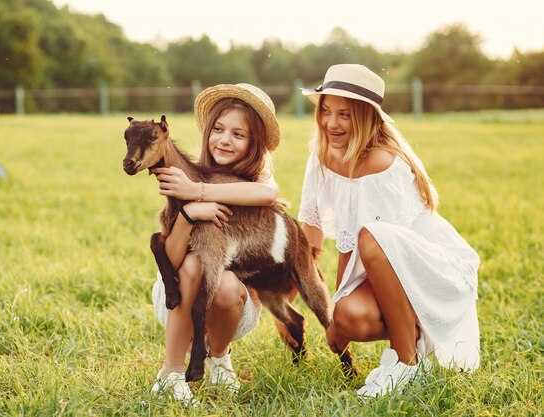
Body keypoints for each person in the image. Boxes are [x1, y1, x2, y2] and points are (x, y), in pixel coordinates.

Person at [296, 64, 480, 398]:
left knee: (372, 236)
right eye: (326, 111)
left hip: (431, 269)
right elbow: (315, 239)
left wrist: (337, 305)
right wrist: (326, 312)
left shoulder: (380, 162)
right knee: (348, 316)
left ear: (367, 117)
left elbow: (371, 245)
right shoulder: (322, 156)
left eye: (345, 115)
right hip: (385, 268)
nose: (331, 123)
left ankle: (407, 363)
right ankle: (417, 336)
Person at [149, 83, 281, 406]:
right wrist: (190, 213)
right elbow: (172, 257)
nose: (224, 139)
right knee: (193, 263)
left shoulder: (252, 183)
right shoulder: (186, 174)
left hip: (233, 305)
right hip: (177, 296)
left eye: (239, 134)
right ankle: (172, 372)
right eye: (218, 129)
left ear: (254, 144)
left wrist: (199, 192)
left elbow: (269, 194)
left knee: (223, 281)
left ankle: (219, 358)